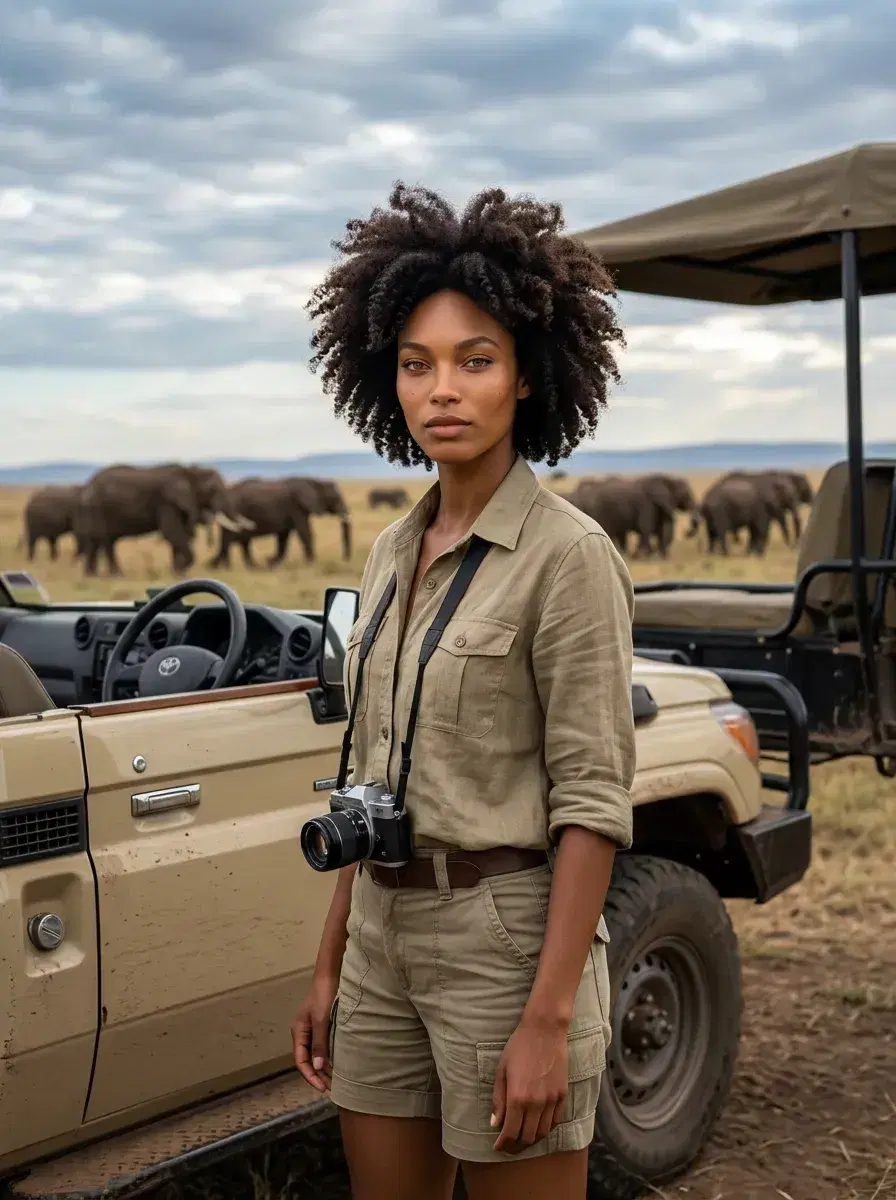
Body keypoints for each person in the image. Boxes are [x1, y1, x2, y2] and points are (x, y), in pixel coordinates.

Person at [290, 183, 635, 1200]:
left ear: (526, 378)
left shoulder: (568, 558)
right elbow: (368, 772)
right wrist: (328, 964)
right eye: (415, 363)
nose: (442, 389)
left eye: (474, 361)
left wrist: (544, 1019)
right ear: (382, 379)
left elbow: (591, 803)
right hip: (379, 936)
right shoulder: (393, 548)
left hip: (505, 938)